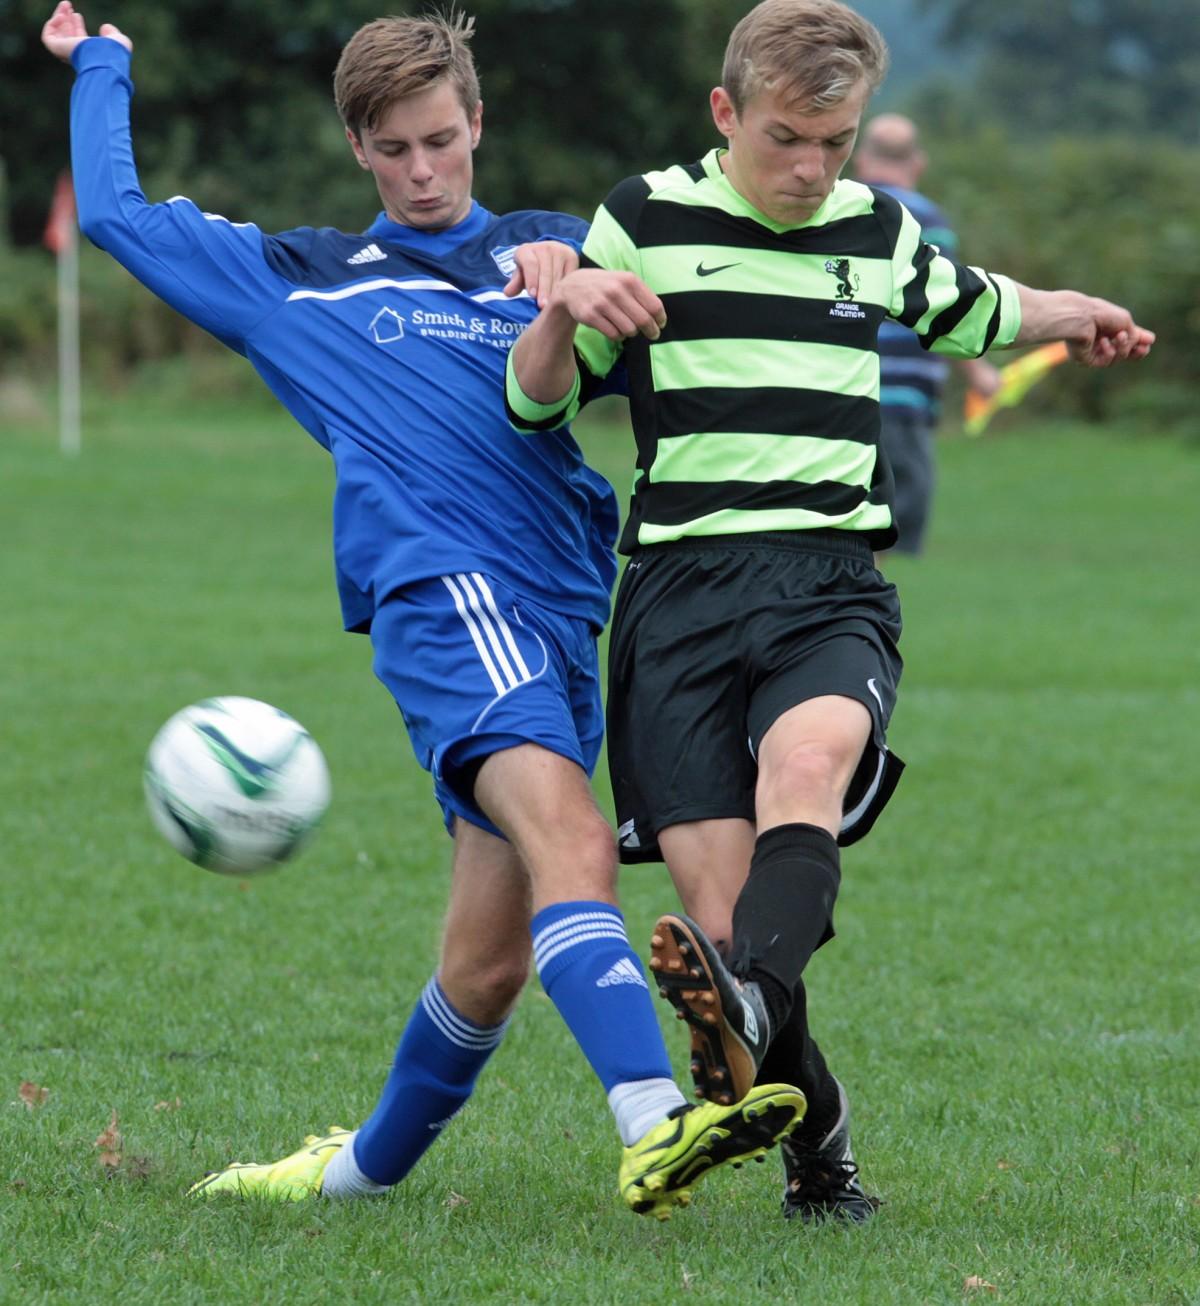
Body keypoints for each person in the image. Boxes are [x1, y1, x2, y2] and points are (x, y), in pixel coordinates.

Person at [41, 1, 807, 1218]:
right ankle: (657, 1119)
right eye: (394, 149)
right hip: (446, 598)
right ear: (358, 147)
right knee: (571, 841)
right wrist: (101, 66)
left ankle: (347, 1180)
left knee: (491, 960)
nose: (422, 171)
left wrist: (585, 279)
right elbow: (123, 219)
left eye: (442, 142)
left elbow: (714, 271)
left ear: (478, 125)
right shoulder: (302, 285)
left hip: (565, 616)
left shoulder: (558, 244)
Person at [506, 0, 1153, 1223]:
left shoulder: (877, 225)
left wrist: (1080, 311)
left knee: (805, 770)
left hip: (825, 586)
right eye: (788, 140)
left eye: (837, 144)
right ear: (726, 113)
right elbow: (537, 408)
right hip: (679, 602)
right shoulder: (641, 221)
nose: (812, 171)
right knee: (721, 921)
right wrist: (561, 311)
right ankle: (823, 1144)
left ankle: (747, 1009)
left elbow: (974, 305)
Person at [853, 113, 1000, 554]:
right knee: (903, 509)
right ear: (918, 164)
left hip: (844, 386)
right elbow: (946, 309)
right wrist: (980, 376)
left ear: (861, 160)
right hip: (904, 397)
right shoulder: (927, 220)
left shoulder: (841, 209)